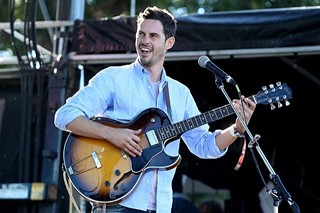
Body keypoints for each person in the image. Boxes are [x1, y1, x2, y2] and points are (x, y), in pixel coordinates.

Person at [54, 6, 256, 213]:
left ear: (169, 42)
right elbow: (64, 115)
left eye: (153, 35)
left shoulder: (180, 93)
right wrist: (112, 134)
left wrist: (236, 129)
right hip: (117, 203)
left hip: (160, 207)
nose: (144, 41)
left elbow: (203, 145)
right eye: (141, 34)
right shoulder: (113, 78)